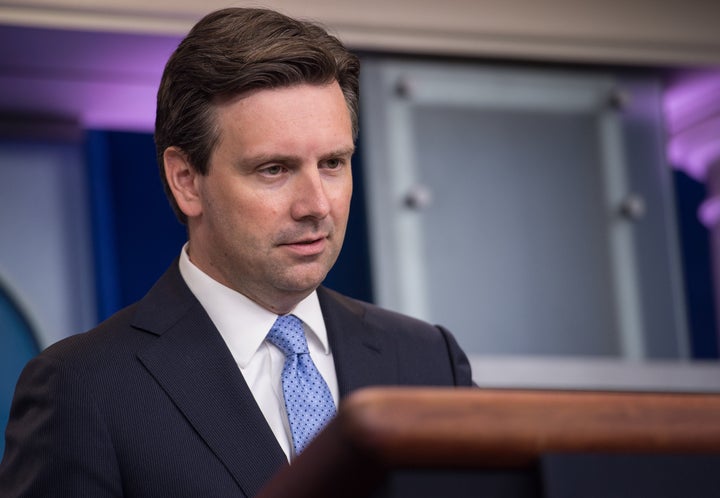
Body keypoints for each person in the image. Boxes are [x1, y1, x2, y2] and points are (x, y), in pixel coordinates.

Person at [0, 7, 472, 497]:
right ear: (186, 181)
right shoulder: (83, 388)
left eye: (333, 163)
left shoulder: (429, 362)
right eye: (273, 169)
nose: (316, 205)